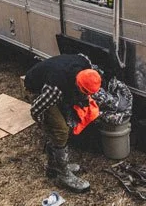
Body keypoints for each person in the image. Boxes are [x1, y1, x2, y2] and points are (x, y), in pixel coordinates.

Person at [24, 53, 105, 192]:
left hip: (54, 76)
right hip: (36, 85)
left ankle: (54, 165)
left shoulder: (85, 63)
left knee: (66, 123)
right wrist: (44, 124)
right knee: (60, 130)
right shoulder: (55, 89)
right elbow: (36, 109)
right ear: (77, 86)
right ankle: (63, 174)